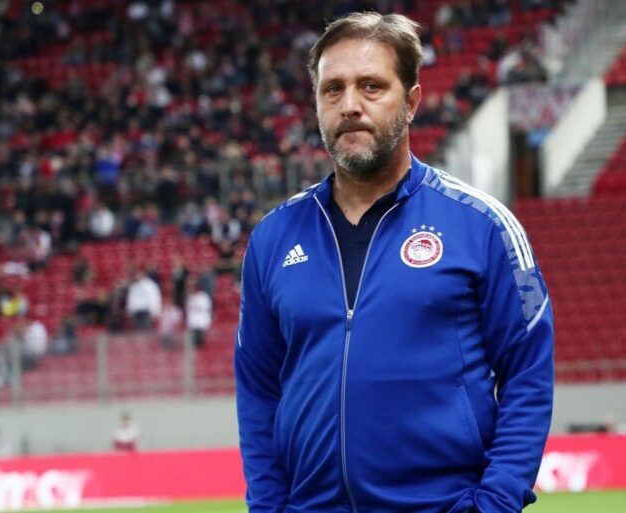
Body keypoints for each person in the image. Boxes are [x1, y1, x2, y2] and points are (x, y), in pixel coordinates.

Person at [235, 12, 554, 513]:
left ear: (411, 102)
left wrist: (495, 502)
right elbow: (258, 390)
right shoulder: (273, 238)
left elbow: (527, 373)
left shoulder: (482, 226)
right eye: (332, 90)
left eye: (371, 87)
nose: (350, 105)